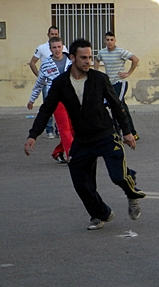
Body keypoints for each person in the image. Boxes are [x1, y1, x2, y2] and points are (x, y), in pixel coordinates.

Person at [24, 38, 146, 230]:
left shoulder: (99, 79)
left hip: (106, 135)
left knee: (118, 177)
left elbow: (116, 105)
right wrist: (33, 135)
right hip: (82, 140)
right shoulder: (61, 83)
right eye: (83, 57)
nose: (88, 61)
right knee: (81, 183)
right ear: (72, 58)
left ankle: (132, 194)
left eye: (89, 57)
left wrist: (127, 132)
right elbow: (47, 109)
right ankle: (101, 213)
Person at [27, 37, 73, 164]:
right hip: (56, 100)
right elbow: (39, 84)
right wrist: (32, 100)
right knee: (64, 128)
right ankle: (72, 156)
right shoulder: (46, 64)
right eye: (54, 47)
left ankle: (58, 152)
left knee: (74, 129)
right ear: (50, 49)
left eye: (59, 47)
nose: (57, 50)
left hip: (72, 98)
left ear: (63, 47)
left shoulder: (71, 60)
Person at [94, 31, 140, 139]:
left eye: (111, 40)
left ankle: (122, 132)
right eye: (107, 40)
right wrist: (96, 73)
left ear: (115, 41)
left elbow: (135, 59)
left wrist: (128, 73)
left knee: (116, 105)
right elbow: (96, 60)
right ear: (105, 41)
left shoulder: (120, 52)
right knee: (122, 107)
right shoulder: (102, 52)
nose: (109, 42)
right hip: (109, 84)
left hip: (120, 83)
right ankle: (131, 132)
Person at [29, 26, 69, 139]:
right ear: (48, 35)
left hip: (66, 89)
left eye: (56, 34)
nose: (57, 49)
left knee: (66, 117)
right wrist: (40, 77)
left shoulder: (66, 52)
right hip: (50, 86)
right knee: (48, 107)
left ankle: (59, 129)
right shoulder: (42, 48)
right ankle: (49, 129)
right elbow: (32, 63)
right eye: (52, 34)